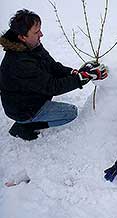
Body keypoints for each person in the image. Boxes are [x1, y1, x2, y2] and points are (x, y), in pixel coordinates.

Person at [0, 9, 108, 141]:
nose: (41, 34)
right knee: (70, 113)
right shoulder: (19, 63)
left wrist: (73, 73)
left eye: (40, 29)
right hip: (22, 109)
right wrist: (82, 78)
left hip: (29, 97)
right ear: (22, 37)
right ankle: (24, 126)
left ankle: (28, 120)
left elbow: (52, 65)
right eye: (36, 32)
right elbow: (53, 87)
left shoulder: (31, 45)